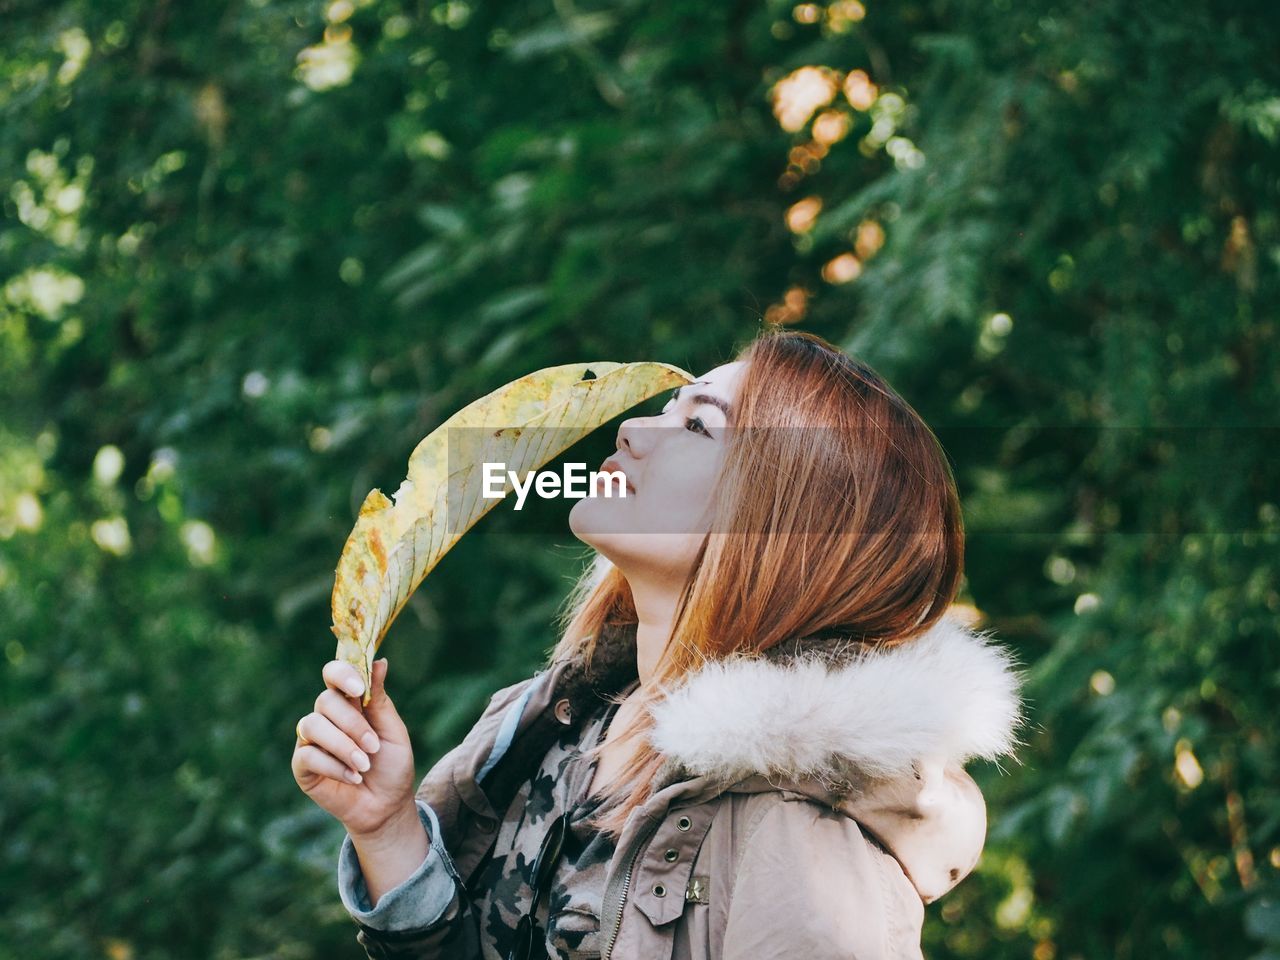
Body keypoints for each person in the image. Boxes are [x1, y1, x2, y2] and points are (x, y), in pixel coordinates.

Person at [291, 329, 1026, 960]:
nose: (633, 430)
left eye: (700, 427)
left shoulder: (799, 836)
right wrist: (386, 830)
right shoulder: (549, 731)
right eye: (666, 409)